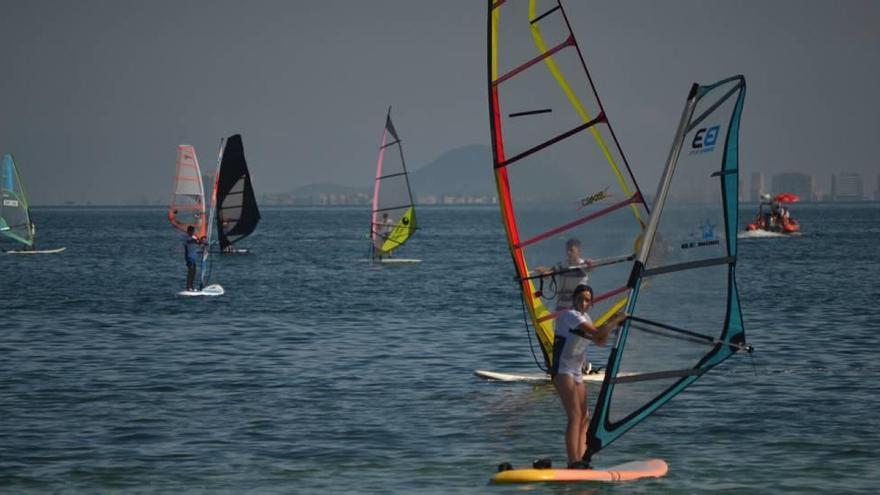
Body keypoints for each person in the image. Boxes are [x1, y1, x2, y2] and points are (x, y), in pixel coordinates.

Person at [552, 284, 627, 469]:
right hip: (562, 370)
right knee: (575, 416)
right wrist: (614, 321)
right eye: (580, 299)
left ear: (591, 303)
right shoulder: (570, 316)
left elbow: (600, 341)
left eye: (587, 300)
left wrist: (614, 325)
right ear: (574, 300)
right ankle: (573, 462)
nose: (583, 303)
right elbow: (597, 333)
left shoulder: (586, 317)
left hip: (577, 371)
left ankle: (581, 459)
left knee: (585, 417)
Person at [535, 238, 592, 310]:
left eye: (571, 250)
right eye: (567, 250)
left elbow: (590, 269)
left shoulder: (584, 265)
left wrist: (590, 264)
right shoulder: (561, 265)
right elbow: (549, 272)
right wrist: (543, 271)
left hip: (578, 305)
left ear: (579, 251)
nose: (568, 253)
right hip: (562, 306)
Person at [183, 226, 201, 291]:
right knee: (190, 271)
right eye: (190, 231)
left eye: (192, 231)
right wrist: (197, 241)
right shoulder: (186, 237)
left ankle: (191, 286)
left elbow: (199, 242)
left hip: (194, 257)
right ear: (188, 231)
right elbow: (190, 241)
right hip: (188, 257)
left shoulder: (195, 237)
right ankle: (188, 287)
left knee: (194, 272)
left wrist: (203, 242)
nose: (191, 232)